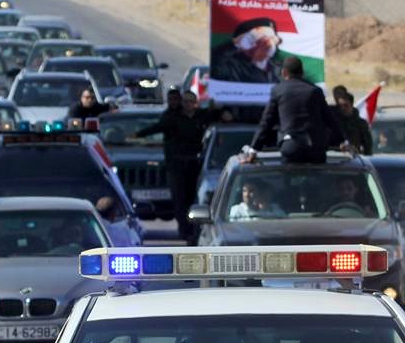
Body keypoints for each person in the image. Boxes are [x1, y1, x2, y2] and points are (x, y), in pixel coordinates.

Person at [133, 91, 229, 240]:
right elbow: (156, 128)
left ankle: (194, 230)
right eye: (185, 101)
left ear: (195, 103)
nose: (188, 104)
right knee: (179, 199)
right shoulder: (172, 118)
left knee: (194, 198)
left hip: (195, 164)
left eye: (191, 101)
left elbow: (220, 114)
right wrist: (136, 135)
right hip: (177, 165)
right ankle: (185, 231)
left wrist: (222, 111)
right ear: (182, 103)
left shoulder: (202, 115)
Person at [248, 56, 345, 164]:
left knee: (289, 173)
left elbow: (266, 122)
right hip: (316, 149)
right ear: (302, 73)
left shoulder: (278, 90)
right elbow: (330, 119)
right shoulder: (315, 91)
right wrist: (343, 142)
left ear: (284, 72)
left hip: (291, 147)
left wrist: (254, 149)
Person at [210, 17, 283, 84]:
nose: (268, 42)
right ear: (245, 42)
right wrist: (236, 43)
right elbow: (214, 62)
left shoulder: (278, 68)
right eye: (262, 39)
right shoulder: (228, 66)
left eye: (272, 38)